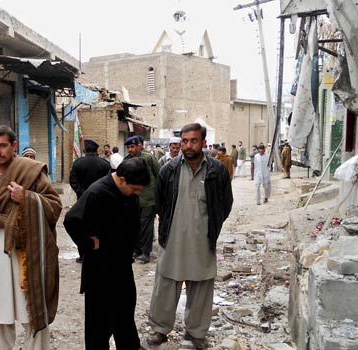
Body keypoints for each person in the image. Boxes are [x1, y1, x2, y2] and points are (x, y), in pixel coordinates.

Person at [0, 125, 62, 350]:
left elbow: (55, 206)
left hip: (25, 257)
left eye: (3, 145)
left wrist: (26, 197)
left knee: (31, 314)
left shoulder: (31, 171)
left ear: (13, 146)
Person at [147, 123, 233, 349]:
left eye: (193, 140)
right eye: (184, 141)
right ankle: (160, 329)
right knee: (166, 283)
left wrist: (211, 224)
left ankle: (196, 332)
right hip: (173, 237)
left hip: (202, 238)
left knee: (202, 285)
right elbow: (160, 202)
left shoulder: (217, 170)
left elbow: (226, 204)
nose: (188, 145)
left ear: (203, 143)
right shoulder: (169, 170)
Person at [64, 157, 149, 350]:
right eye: (135, 189)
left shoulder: (128, 192)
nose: (137, 194)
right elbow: (71, 220)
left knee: (125, 317)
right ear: (121, 179)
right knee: (99, 326)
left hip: (122, 267)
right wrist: (87, 243)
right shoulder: (96, 192)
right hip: (99, 272)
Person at [69, 139, 112, 263]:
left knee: (83, 226)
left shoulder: (78, 163)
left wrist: (81, 193)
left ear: (85, 150)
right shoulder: (104, 164)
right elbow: (109, 181)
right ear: (97, 150)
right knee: (100, 225)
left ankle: (83, 255)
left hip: (82, 201)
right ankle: (99, 251)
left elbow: (73, 181)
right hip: (101, 201)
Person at [124, 135, 161, 264]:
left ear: (140, 145)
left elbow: (159, 175)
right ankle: (136, 250)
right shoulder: (127, 160)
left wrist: (158, 197)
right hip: (132, 200)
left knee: (146, 226)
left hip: (148, 199)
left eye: (132, 147)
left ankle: (146, 252)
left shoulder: (148, 158)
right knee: (134, 226)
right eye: (128, 147)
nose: (130, 150)